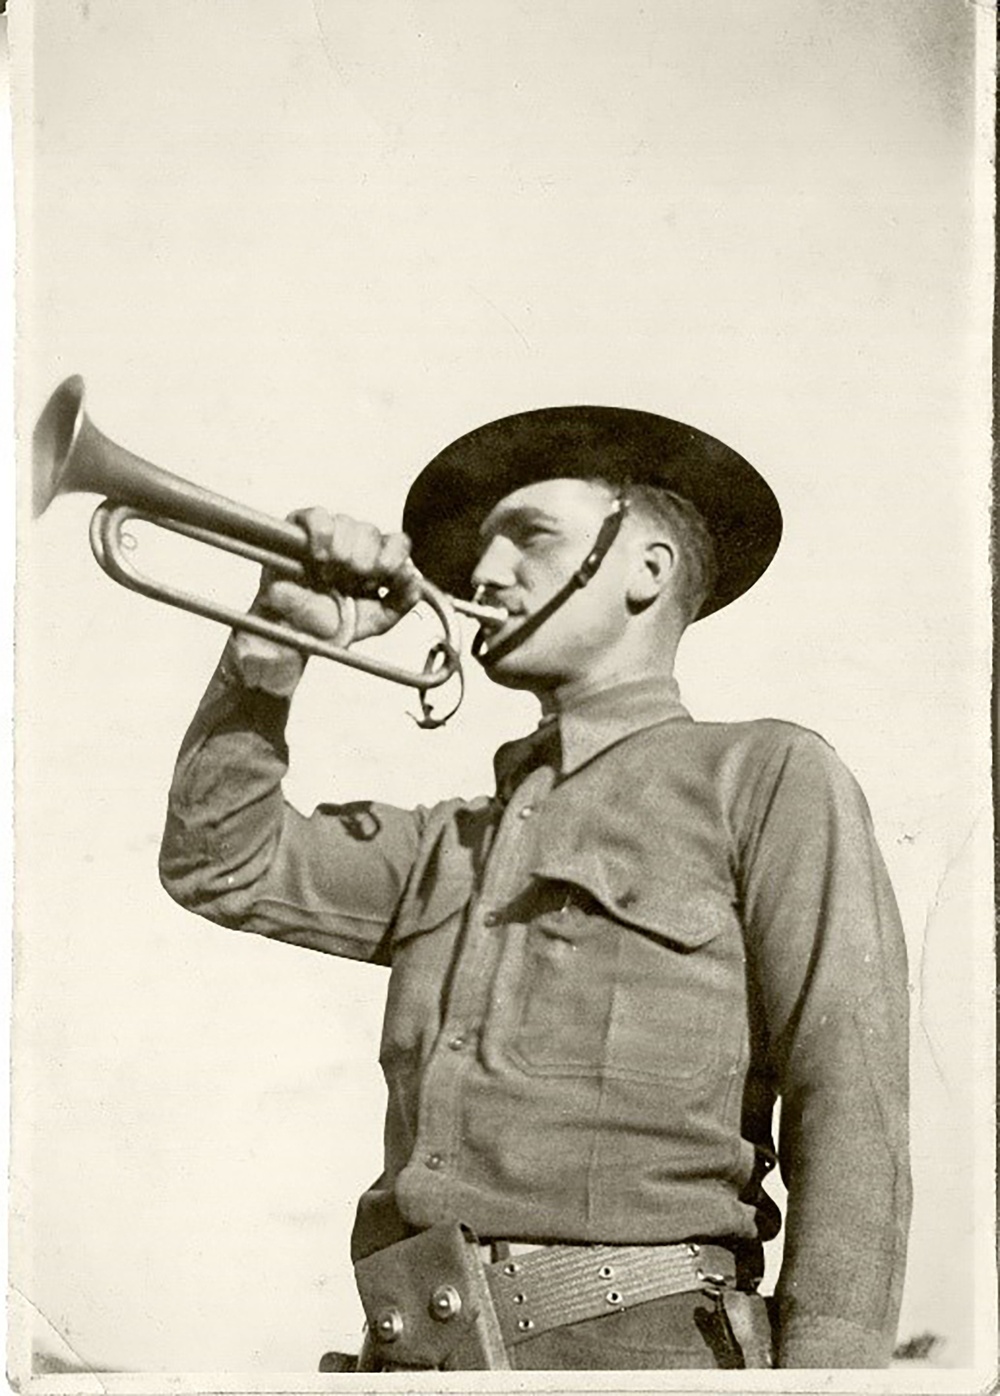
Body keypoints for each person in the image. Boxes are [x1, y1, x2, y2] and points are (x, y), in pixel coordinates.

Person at [158, 406, 911, 1371]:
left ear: (647, 569)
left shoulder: (764, 777)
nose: (482, 573)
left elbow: (851, 1107)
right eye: (483, 545)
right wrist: (270, 648)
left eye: (530, 534)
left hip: (642, 1354)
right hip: (415, 1355)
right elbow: (218, 862)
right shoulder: (453, 840)